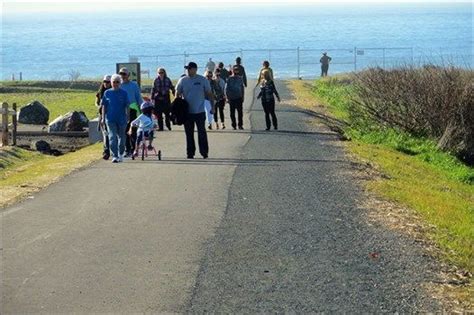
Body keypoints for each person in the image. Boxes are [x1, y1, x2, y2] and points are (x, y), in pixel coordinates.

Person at [176, 62, 215, 159]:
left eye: (190, 68)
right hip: (187, 112)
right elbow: (177, 93)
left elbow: (209, 93)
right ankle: (190, 153)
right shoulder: (183, 80)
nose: (188, 70)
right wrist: (177, 107)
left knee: (202, 133)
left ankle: (204, 152)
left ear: (195, 69)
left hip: (200, 111)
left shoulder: (202, 80)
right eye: (187, 69)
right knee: (189, 134)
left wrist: (212, 107)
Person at [101, 74, 130, 163]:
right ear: (111, 83)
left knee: (122, 138)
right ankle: (115, 155)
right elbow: (103, 106)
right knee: (112, 137)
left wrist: (127, 116)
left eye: (117, 82)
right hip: (110, 119)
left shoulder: (124, 93)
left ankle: (121, 154)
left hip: (122, 119)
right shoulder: (107, 93)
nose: (115, 84)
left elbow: (127, 106)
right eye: (114, 82)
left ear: (120, 83)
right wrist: (102, 118)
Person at [119, 67, 143, 157]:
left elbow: (138, 98)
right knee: (124, 130)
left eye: (124, 74)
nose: (122, 76)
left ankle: (134, 149)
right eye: (121, 74)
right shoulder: (118, 85)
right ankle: (127, 149)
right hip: (122, 110)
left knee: (133, 130)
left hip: (133, 109)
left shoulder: (134, 85)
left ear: (128, 75)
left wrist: (141, 110)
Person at [95, 75, 112, 160]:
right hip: (102, 115)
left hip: (112, 114)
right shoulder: (100, 92)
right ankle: (106, 151)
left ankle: (114, 150)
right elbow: (97, 102)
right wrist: (99, 106)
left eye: (108, 82)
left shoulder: (113, 91)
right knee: (105, 134)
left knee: (112, 134)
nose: (106, 83)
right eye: (104, 81)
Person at [225, 65, 245, 130]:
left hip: (239, 97)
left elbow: (242, 88)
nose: (236, 71)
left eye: (237, 70)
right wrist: (227, 98)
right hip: (232, 98)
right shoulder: (229, 79)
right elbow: (227, 89)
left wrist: (243, 96)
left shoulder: (240, 78)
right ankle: (234, 125)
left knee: (240, 112)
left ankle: (240, 125)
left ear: (238, 71)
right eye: (234, 70)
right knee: (232, 113)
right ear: (233, 71)